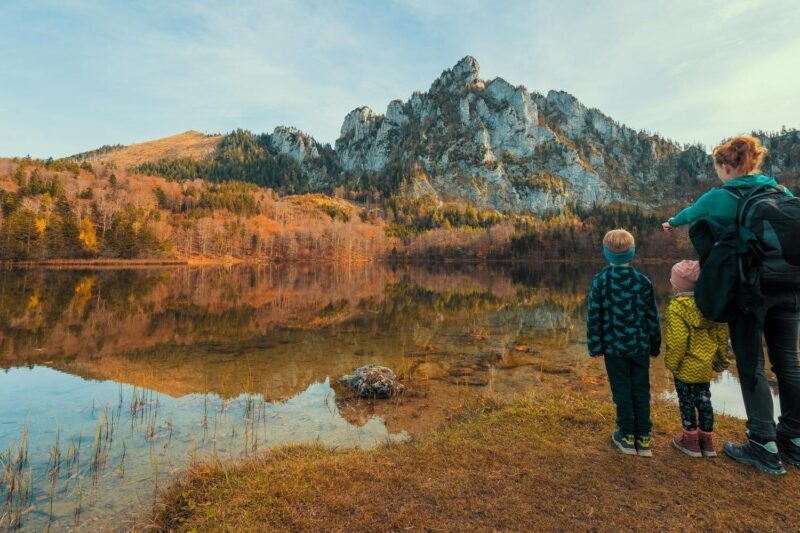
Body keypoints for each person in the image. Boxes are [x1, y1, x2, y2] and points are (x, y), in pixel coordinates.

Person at [662, 135, 800, 475]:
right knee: (789, 364)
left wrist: (670, 223)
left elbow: (690, 214)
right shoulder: (781, 193)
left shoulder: (721, 196)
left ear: (726, 166)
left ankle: (762, 444)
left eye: (718, 168)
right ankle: (795, 441)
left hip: (749, 291)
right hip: (791, 287)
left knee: (752, 365)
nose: (717, 173)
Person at [587, 229, 661, 457]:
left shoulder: (601, 281)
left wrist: (595, 346)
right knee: (640, 388)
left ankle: (627, 435)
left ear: (606, 253)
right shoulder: (643, 281)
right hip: (639, 346)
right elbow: (652, 317)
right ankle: (644, 437)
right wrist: (655, 344)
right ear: (633, 252)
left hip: (614, 347)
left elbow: (594, 316)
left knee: (621, 389)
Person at [664, 259, 729, 458]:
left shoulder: (677, 308)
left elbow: (677, 341)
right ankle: (707, 442)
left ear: (677, 285)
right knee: (704, 401)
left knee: (686, 403)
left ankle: (690, 441)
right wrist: (721, 361)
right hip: (704, 367)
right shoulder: (711, 305)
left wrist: (672, 364)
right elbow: (721, 335)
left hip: (685, 368)